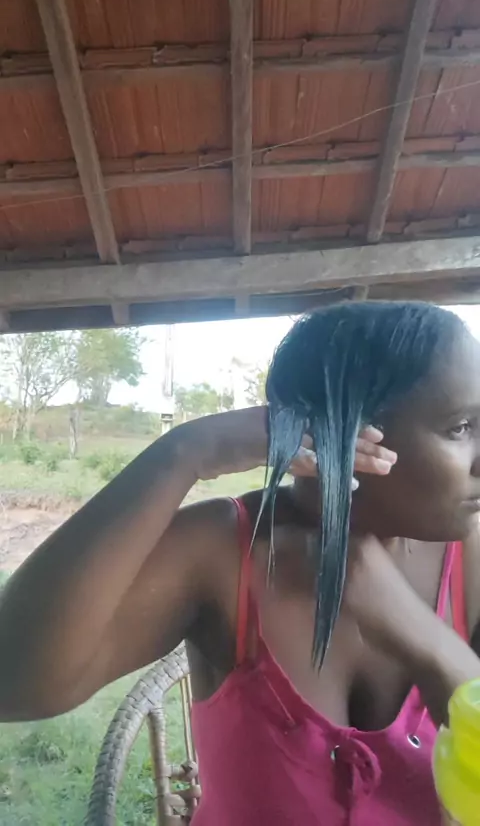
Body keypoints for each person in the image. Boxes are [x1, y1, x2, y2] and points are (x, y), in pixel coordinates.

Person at [1, 300, 480, 826]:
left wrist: (427, 643)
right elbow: (15, 682)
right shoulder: (226, 553)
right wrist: (189, 450)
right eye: (460, 428)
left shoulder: (470, 560)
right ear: (348, 431)